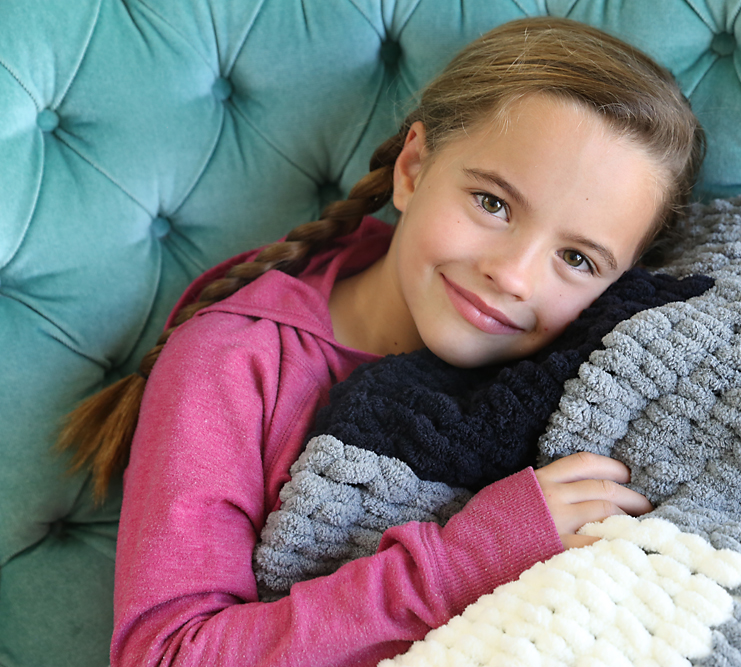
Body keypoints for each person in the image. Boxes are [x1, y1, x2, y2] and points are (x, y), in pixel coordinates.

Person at [59, 16, 704, 666]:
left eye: (577, 258)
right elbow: (166, 654)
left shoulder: (589, 368)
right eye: (492, 203)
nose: (512, 275)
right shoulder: (230, 363)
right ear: (414, 167)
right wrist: (465, 561)